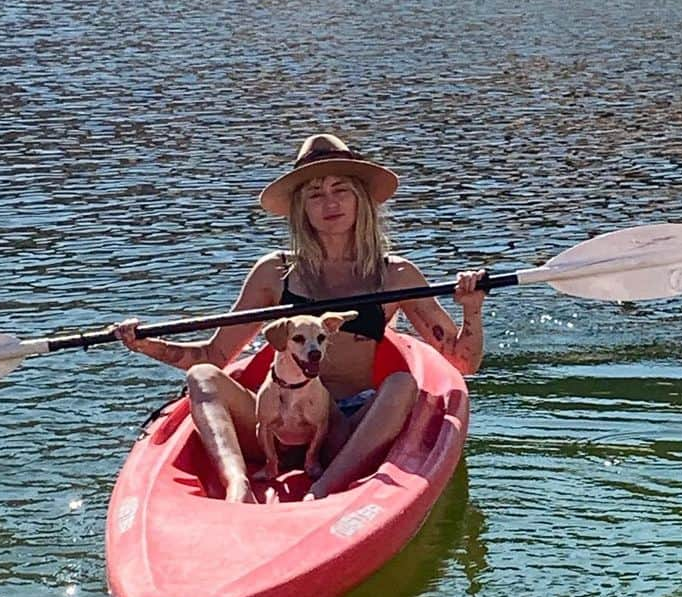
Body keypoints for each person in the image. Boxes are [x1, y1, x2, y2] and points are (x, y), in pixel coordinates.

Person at [114, 133, 485, 503]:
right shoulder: (273, 273)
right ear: (300, 208)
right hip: (274, 423)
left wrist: (471, 307)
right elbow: (213, 358)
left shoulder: (395, 275)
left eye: (340, 189)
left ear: (361, 199)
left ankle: (326, 487)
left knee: (402, 383)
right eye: (315, 194)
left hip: (347, 429)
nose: (330, 203)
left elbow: (463, 361)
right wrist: (147, 344)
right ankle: (237, 483)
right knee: (202, 378)